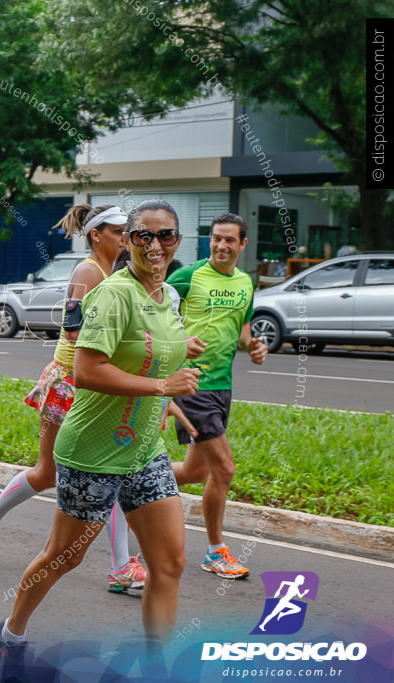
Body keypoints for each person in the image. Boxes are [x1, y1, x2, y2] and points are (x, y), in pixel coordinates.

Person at [0, 199, 200, 677]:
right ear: (129, 240)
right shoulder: (111, 294)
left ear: (177, 242)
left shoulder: (170, 299)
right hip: (93, 452)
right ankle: (9, 632)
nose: (154, 245)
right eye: (142, 235)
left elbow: (147, 360)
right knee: (65, 556)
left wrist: (168, 390)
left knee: (170, 563)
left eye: (165, 235)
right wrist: (163, 386)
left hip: (144, 449)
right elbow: (87, 370)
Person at [0, 204, 157, 593]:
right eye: (119, 230)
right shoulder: (89, 271)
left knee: (115, 472)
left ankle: (121, 567)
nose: (126, 237)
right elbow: (73, 332)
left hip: (97, 385)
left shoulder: (119, 273)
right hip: (71, 384)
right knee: (47, 473)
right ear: (96, 234)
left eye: (128, 231)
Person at [168, 213, 267, 578]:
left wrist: (254, 345)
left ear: (243, 244)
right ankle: (215, 551)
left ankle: (133, 481)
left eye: (230, 240)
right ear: (209, 240)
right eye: (216, 238)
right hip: (194, 385)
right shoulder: (188, 276)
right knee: (224, 469)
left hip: (223, 385)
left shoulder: (245, 283)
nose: (222, 246)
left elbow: (242, 329)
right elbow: (153, 315)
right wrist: (178, 344)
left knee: (196, 471)